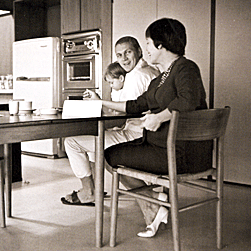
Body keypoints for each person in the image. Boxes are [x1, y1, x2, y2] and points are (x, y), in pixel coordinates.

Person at [89, 18, 211, 238]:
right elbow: (136, 105)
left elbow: (188, 100)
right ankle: (155, 202)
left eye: (148, 44)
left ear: (161, 45)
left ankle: (154, 203)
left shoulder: (186, 68)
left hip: (181, 154)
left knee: (109, 155)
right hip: (164, 148)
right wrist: (99, 103)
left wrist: (160, 117)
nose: (146, 49)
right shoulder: (160, 79)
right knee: (110, 154)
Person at [61, 37, 159, 206]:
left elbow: (124, 113)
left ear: (139, 51)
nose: (124, 58)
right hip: (149, 133)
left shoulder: (136, 77)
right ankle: (96, 189)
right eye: (119, 55)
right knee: (96, 140)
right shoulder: (151, 71)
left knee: (71, 142)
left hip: (137, 136)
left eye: (128, 52)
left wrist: (97, 105)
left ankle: (89, 191)